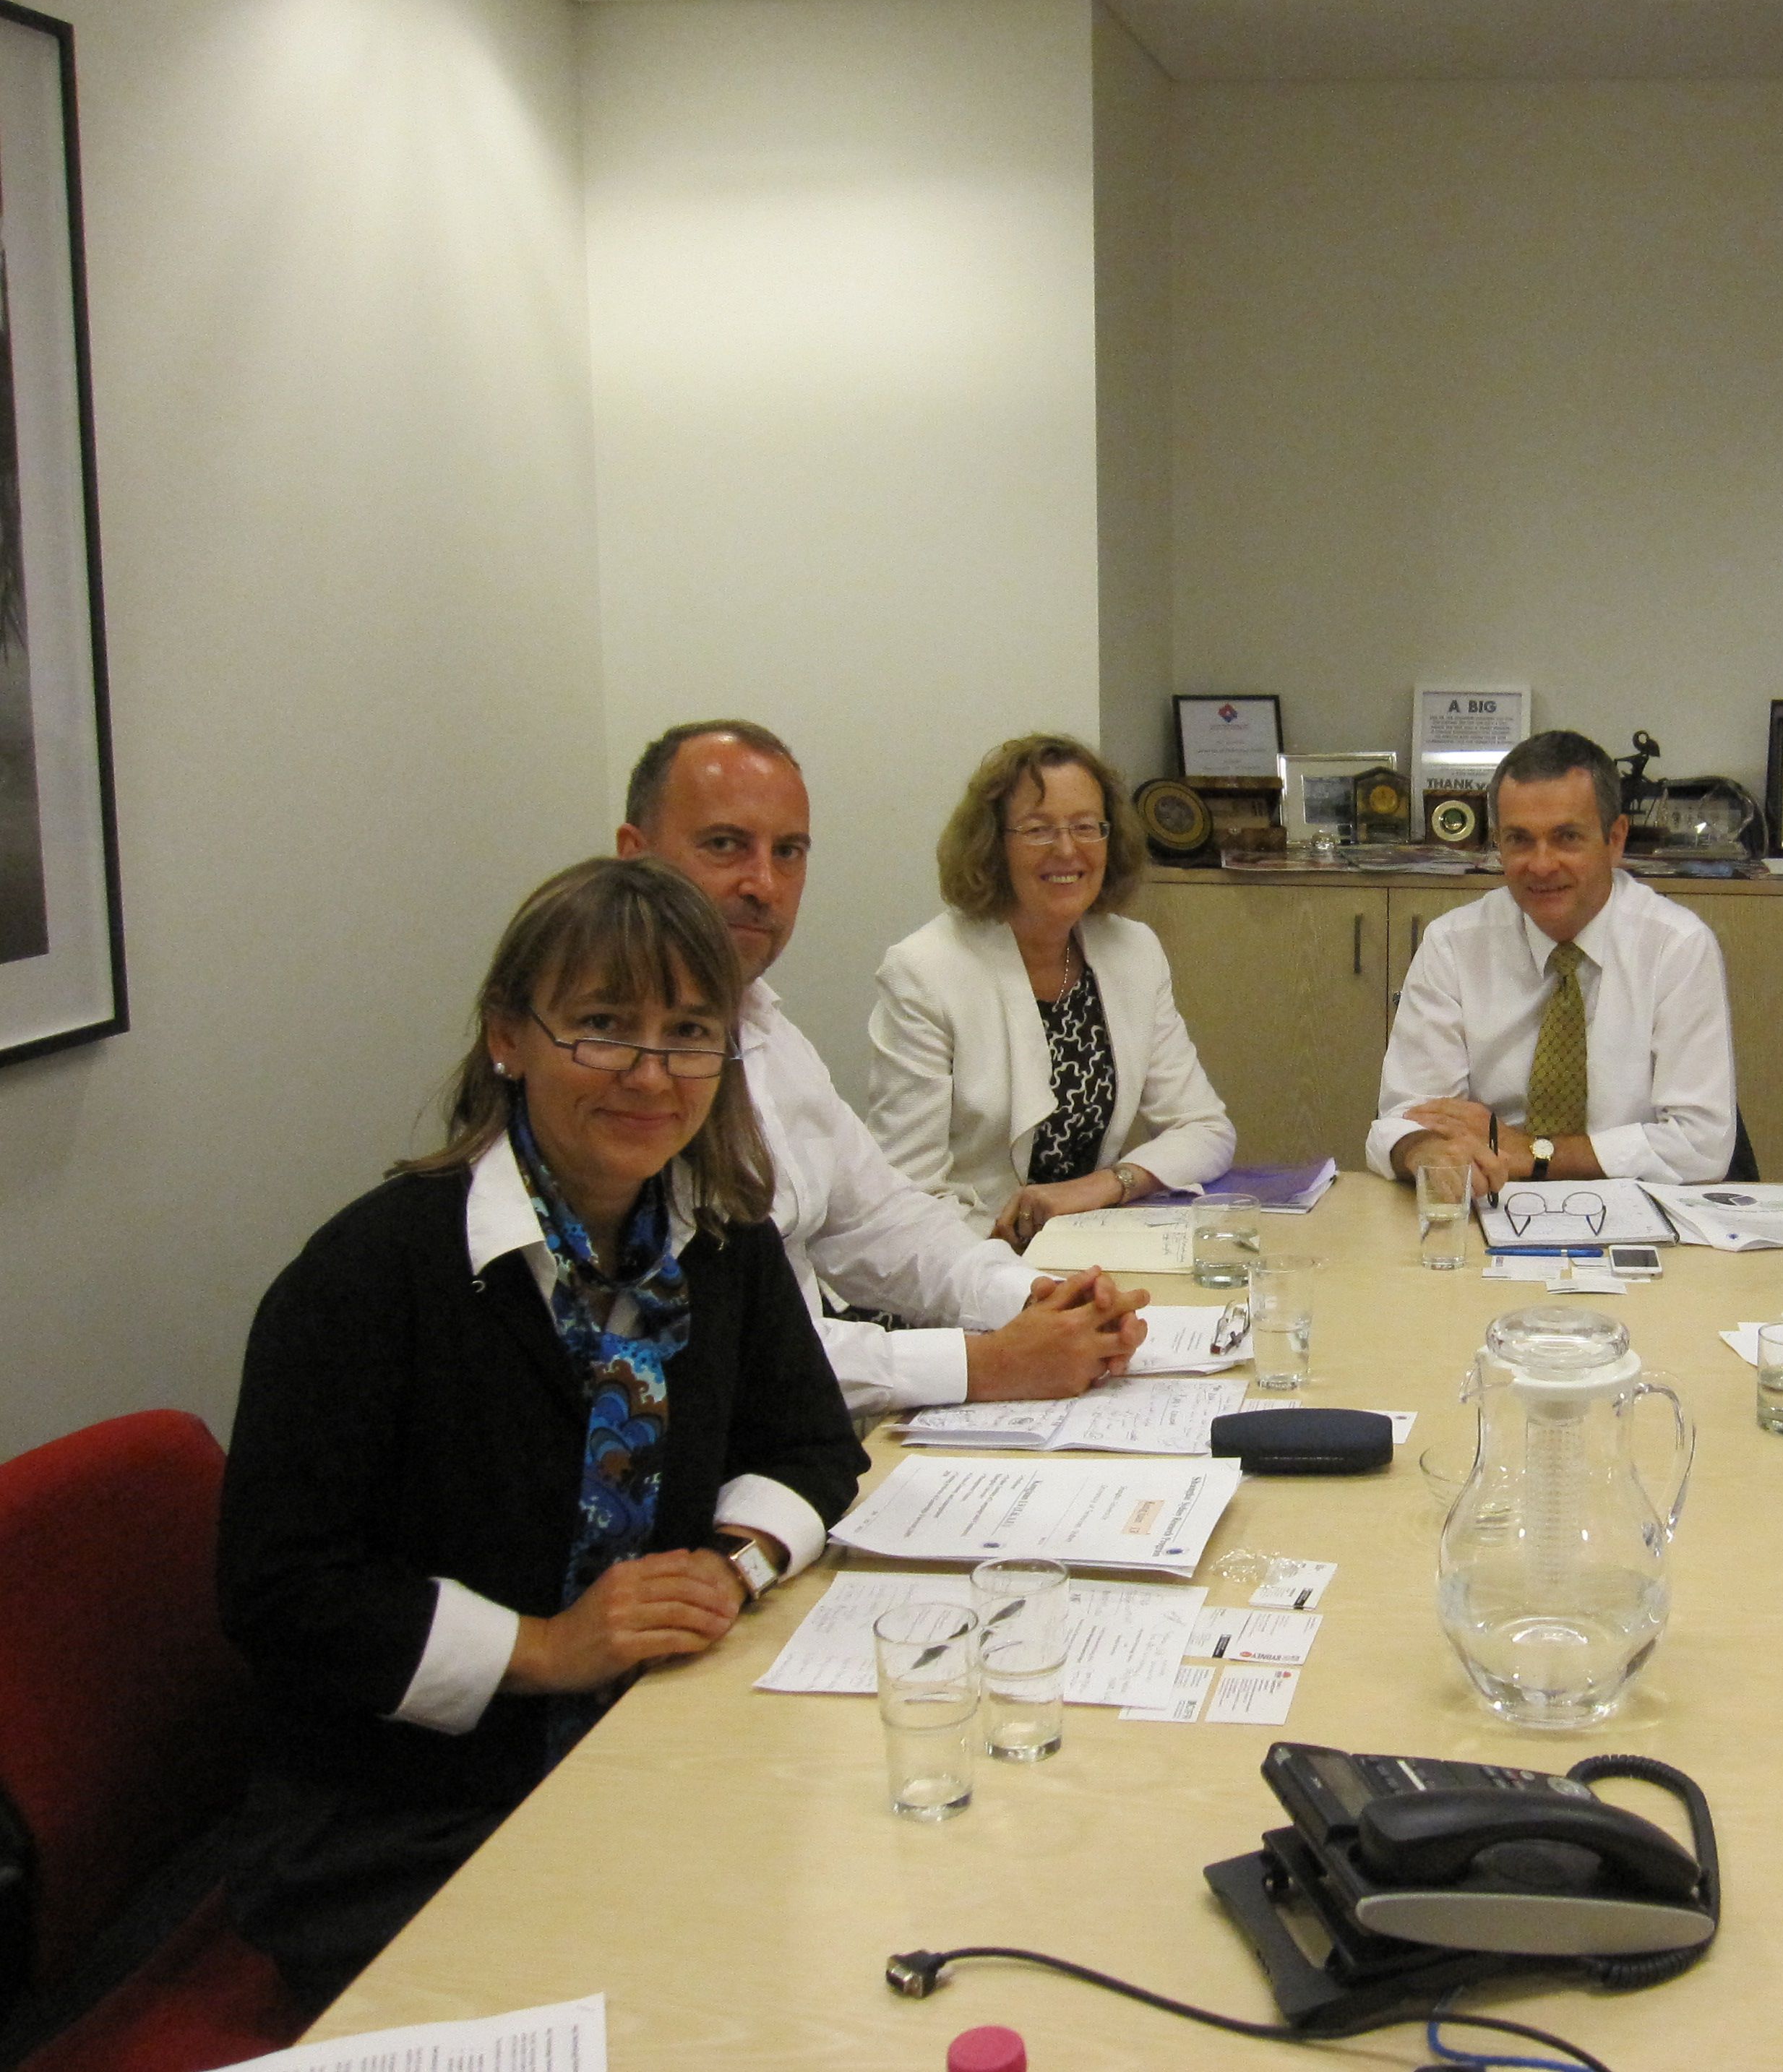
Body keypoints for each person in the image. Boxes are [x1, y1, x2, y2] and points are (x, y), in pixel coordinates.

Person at [217, 857, 868, 2010]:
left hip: (653, 1747)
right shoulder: (369, 1277)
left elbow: (812, 1447)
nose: (650, 1073)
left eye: (688, 1033)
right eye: (604, 1026)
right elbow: (282, 1592)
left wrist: (730, 1565)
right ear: (507, 1036)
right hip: (408, 1819)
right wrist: (545, 1649)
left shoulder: (722, 1246)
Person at [618, 721, 1146, 1414]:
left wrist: (1040, 1297)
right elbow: (729, 1349)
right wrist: (986, 1363)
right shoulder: (620, 1079)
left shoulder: (771, 1036)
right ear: (635, 855)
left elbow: (882, 1223)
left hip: (808, 1425)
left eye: (788, 852)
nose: (763, 884)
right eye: (724, 845)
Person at [868, 734, 1235, 1250]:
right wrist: (1005, 1264)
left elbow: (1205, 1130)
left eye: (1085, 827)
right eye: (1038, 829)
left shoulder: (1133, 951)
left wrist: (1104, 1185)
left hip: (1091, 1249)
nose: (1067, 850)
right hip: (965, 1258)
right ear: (993, 845)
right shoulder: (925, 971)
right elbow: (906, 1192)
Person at [1370, 728, 1735, 1193]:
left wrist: (1535, 1153)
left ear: (1615, 839)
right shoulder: (1453, 944)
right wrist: (1424, 1151)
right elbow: (1405, 1117)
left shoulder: (1676, 946)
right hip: (1490, 1200)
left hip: (1632, 1206)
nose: (1541, 865)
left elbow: (1702, 1147)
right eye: (1519, 840)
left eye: (1567, 838)